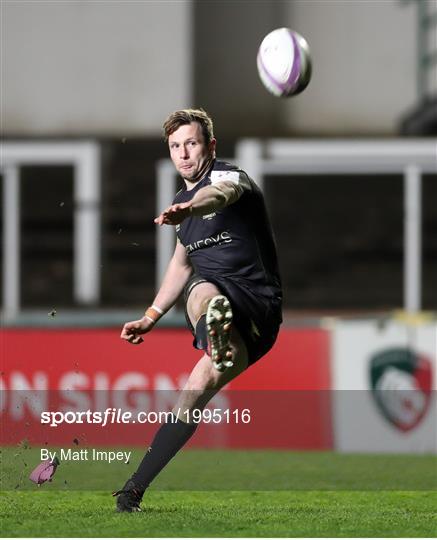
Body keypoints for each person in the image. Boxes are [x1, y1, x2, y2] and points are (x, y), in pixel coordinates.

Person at [113, 108, 282, 512]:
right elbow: (181, 262)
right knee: (191, 397)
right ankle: (133, 491)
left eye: (191, 143)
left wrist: (190, 208)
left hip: (257, 305)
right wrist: (151, 316)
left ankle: (215, 318)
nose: (184, 153)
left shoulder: (230, 177)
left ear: (210, 145)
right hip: (233, 325)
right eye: (175, 146)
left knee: (201, 290)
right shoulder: (179, 208)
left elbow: (217, 196)